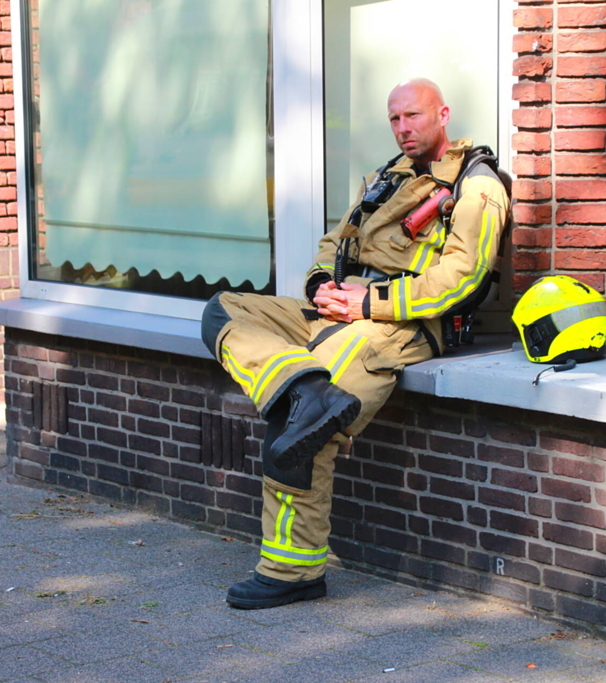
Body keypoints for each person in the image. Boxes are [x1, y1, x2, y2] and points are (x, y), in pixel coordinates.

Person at [200, 78, 510, 609]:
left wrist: (367, 304)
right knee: (223, 310)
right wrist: (322, 285)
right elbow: (332, 244)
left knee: (299, 428)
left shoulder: (477, 187)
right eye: (394, 119)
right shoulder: (385, 178)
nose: (403, 128)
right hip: (337, 310)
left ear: (443, 114)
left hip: (397, 325)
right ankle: (300, 386)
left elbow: (464, 279)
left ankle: (292, 572)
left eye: (413, 116)